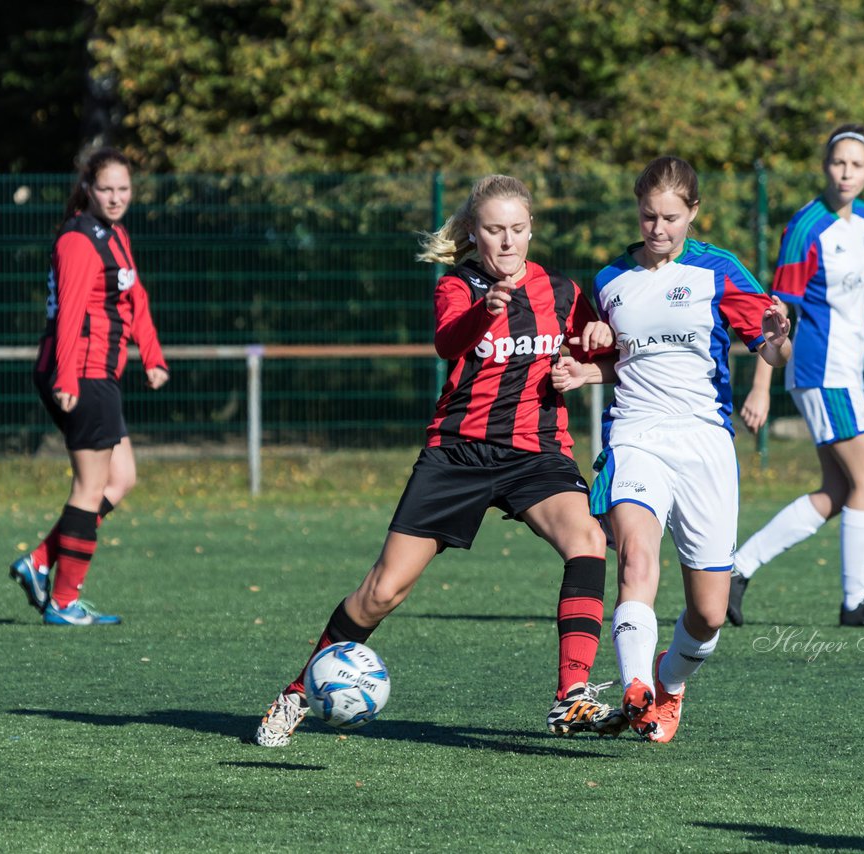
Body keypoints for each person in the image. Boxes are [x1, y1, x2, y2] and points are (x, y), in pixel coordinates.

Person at [255, 174, 623, 747]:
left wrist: (598, 338)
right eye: (495, 231)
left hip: (536, 450)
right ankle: (299, 692)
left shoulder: (563, 290)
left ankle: (571, 697)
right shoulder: (458, 286)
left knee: (589, 541)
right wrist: (487, 312)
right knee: (383, 591)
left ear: (532, 230)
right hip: (458, 453)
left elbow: (602, 348)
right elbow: (449, 342)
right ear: (473, 234)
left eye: (518, 230)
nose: (507, 243)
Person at [551, 156, 791, 742]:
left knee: (708, 614)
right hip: (634, 434)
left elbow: (770, 352)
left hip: (705, 442)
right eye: (647, 216)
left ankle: (668, 684)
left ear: (693, 213)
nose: (657, 229)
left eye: (670, 218)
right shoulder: (610, 280)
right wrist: (588, 364)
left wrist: (781, 338)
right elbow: (593, 352)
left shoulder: (719, 271)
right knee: (636, 558)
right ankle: (634, 689)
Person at [731, 123, 864, 629]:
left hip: (848, 372)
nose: (845, 173)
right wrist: (760, 386)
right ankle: (856, 602)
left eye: (856, 165)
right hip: (823, 373)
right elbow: (775, 316)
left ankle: (736, 570)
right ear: (825, 166)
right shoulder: (806, 228)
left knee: (838, 492)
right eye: (837, 163)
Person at [8, 148, 169, 626]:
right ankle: (62, 601)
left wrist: (153, 356)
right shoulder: (79, 240)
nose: (116, 197)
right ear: (88, 189)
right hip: (82, 372)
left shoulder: (114, 234)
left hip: (101, 373)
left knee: (121, 479)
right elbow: (71, 312)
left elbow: (134, 296)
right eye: (106, 189)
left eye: (123, 189)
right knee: (91, 485)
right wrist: (66, 378)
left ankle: (40, 559)